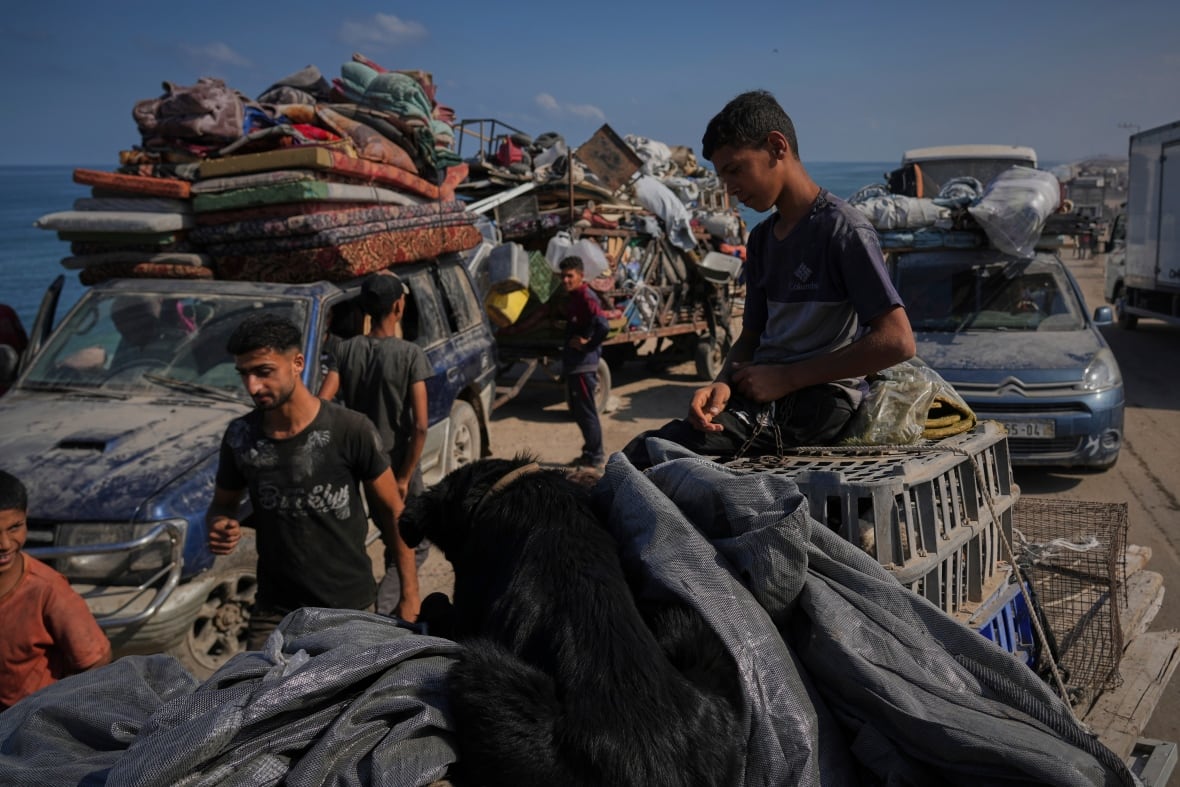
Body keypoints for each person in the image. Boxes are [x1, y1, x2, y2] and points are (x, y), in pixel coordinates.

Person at [623, 89, 915, 469]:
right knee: (657, 452)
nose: (729, 188)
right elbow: (751, 336)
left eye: (734, 170)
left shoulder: (843, 231)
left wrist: (788, 377)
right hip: (764, 392)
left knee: (649, 456)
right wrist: (722, 383)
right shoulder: (761, 240)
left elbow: (897, 341)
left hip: (818, 400)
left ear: (777, 147)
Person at [205, 313, 419, 650]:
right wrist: (219, 524)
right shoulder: (240, 436)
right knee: (260, 698)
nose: (253, 387)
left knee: (350, 701)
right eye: (244, 374)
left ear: (297, 363)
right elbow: (222, 504)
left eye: (264, 372)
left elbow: (393, 514)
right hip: (275, 612)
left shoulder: (350, 430)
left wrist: (410, 594)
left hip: (348, 608)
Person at [327, 273, 432, 616]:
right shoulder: (410, 355)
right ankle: (388, 612)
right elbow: (419, 425)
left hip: (363, 464)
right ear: (399, 307)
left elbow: (321, 404)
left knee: (389, 537)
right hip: (397, 462)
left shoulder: (344, 350)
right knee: (413, 541)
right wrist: (404, 476)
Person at [0, 469, 111, 710]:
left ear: (26, 519)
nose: (5, 544)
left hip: (30, 724)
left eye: (15, 528)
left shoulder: (48, 590)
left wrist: (61, 713)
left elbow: (95, 661)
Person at [559, 255, 610, 471]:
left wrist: (587, 345)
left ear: (581, 276)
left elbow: (603, 326)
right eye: (563, 276)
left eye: (570, 276)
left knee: (587, 412)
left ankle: (596, 457)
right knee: (580, 412)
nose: (566, 280)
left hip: (584, 365)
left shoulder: (587, 297)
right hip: (575, 364)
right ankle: (589, 453)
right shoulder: (575, 298)